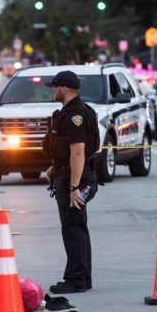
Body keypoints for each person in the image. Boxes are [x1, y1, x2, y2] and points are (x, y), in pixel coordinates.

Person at [42, 71, 100, 294]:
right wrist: (55, 167)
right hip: (71, 176)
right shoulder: (72, 111)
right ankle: (83, 277)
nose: (53, 90)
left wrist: (74, 187)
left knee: (72, 227)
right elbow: (67, 150)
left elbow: (78, 152)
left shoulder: (75, 115)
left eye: (55, 87)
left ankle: (75, 279)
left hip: (76, 181)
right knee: (77, 225)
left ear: (65, 89)